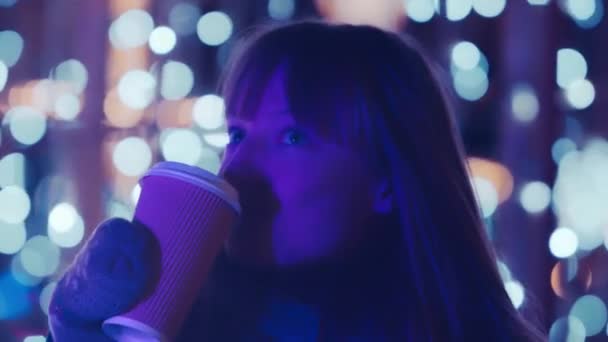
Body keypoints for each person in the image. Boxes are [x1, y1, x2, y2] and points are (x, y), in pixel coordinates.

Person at [47, 20, 547, 341]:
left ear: (387, 180)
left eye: (291, 137)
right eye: (237, 133)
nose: (239, 166)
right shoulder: (181, 319)